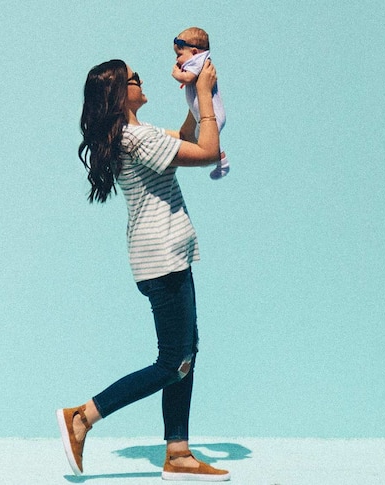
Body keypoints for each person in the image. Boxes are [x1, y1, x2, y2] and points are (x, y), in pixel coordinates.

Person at [56, 59, 231, 482]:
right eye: (134, 79)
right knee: (173, 360)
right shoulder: (135, 139)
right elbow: (206, 152)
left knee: (185, 353)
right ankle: (83, 416)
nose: (141, 81)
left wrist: (195, 93)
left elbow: (188, 138)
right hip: (163, 256)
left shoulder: (139, 135)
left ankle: (178, 452)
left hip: (164, 253)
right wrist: (206, 96)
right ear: (119, 93)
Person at [172, 27, 229, 180]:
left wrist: (177, 74)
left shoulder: (199, 61)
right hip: (204, 116)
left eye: (179, 55)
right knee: (199, 143)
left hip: (213, 115)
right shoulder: (196, 60)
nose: (177, 60)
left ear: (195, 52)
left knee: (203, 145)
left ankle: (222, 161)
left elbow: (189, 78)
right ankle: (219, 160)